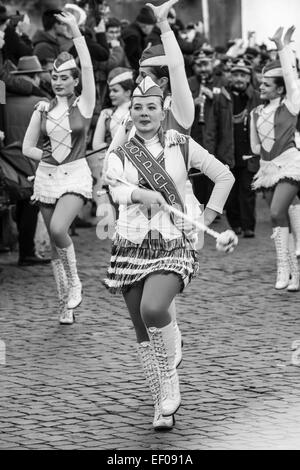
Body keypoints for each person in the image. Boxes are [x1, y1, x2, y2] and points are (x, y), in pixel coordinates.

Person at [103, 76, 235, 431]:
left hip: (174, 240)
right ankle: (162, 405)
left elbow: (224, 176)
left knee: (153, 309)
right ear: (129, 113)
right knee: (142, 331)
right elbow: (115, 188)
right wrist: (140, 195)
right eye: (137, 107)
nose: (144, 113)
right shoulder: (120, 153)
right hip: (130, 242)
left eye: (151, 107)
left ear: (163, 112)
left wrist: (206, 217)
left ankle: (171, 379)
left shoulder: (181, 144)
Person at [104, 0, 195, 376]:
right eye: (140, 74)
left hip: (172, 215)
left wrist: (165, 28)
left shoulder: (180, 113)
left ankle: (169, 367)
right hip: (133, 221)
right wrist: (109, 200)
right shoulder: (129, 117)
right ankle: (162, 385)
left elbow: (177, 66)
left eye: (150, 73)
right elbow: (114, 167)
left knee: (157, 303)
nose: (142, 82)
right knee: (145, 308)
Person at [22, 11, 95, 324]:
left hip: (76, 175)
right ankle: (66, 304)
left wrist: (76, 32)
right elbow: (27, 148)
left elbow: (90, 67)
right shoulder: (42, 109)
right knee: (55, 246)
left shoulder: (85, 104)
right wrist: (47, 157)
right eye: (55, 77)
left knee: (57, 229)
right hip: (47, 177)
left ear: (76, 81)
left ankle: (76, 282)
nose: (59, 81)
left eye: (65, 77)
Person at [250, 26, 300, 291]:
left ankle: (283, 266)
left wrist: (282, 48)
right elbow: (255, 147)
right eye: (261, 83)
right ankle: (293, 272)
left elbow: (292, 79)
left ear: (279, 88)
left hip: (291, 164)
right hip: (267, 168)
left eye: (267, 84)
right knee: (283, 221)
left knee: (275, 212)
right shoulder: (255, 112)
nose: (261, 87)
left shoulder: (290, 105)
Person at [5, 55, 51, 266]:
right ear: (34, 78)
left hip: (6, 159)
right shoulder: (39, 104)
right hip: (30, 161)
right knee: (30, 204)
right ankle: (26, 252)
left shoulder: (4, 100)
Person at [225, 57, 261, 238]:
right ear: (230, 77)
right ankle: (235, 224)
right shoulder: (224, 96)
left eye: (242, 75)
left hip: (249, 151)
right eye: (236, 75)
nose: (239, 78)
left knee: (247, 190)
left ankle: (248, 226)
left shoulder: (256, 96)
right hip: (229, 150)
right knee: (230, 192)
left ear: (248, 78)